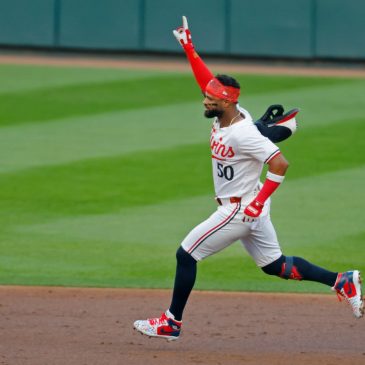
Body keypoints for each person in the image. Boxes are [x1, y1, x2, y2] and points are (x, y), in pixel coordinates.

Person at [133, 16, 363, 341]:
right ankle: (342, 280)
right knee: (276, 266)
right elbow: (206, 81)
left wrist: (257, 204)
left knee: (186, 254)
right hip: (248, 207)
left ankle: (172, 322)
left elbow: (281, 164)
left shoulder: (243, 133)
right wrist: (188, 45)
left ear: (227, 101)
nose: (205, 100)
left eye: (211, 99)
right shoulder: (225, 112)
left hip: (240, 210)